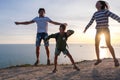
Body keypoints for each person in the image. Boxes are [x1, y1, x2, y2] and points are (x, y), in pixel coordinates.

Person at [83, 0, 120, 67]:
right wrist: (86, 28)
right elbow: (91, 22)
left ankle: (115, 60)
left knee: (108, 44)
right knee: (96, 45)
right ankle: (98, 59)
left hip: (106, 30)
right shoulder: (95, 13)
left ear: (101, 5)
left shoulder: (105, 11)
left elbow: (114, 16)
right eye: (96, 3)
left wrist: (119, 20)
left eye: (97, 3)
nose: (96, 4)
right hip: (98, 31)